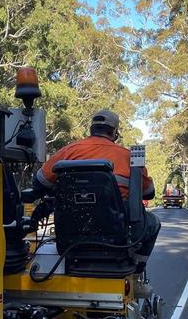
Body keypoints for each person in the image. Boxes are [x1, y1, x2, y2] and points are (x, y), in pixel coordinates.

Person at [33, 110, 161, 271]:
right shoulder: (128, 156)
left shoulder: (68, 151)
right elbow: (149, 192)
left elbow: (39, 183)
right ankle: (136, 268)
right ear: (114, 133)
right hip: (116, 237)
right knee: (153, 223)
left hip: (70, 238)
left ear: (91, 130)